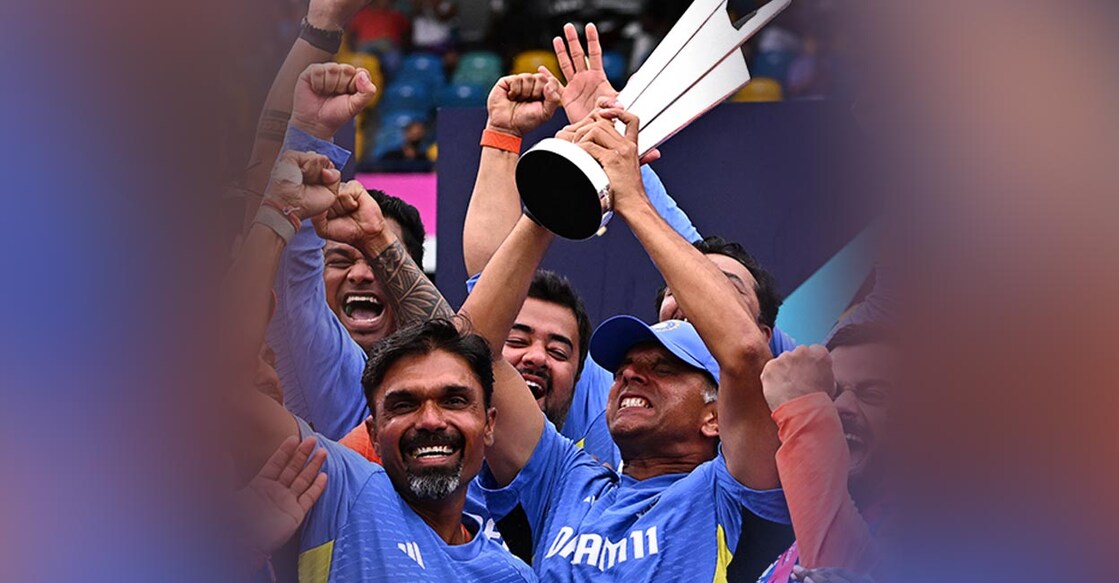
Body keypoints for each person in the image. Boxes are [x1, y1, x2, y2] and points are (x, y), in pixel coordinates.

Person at [473, 106, 792, 580]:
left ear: (715, 415)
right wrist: (554, 197)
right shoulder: (566, 477)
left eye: (665, 368)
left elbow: (745, 354)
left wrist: (633, 200)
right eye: (624, 366)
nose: (630, 375)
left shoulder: (733, 490)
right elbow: (475, 353)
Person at [225, 146, 542, 580]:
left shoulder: (513, 574)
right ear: (372, 430)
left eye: (453, 400)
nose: (430, 420)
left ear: (489, 423)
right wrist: (277, 213)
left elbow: (469, 346)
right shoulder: (342, 488)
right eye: (403, 404)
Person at [756, 324, 895, 582]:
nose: (842, 406)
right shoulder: (784, 537)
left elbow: (839, 566)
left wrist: (802, 409)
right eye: (830, 393)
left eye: (873, 394)